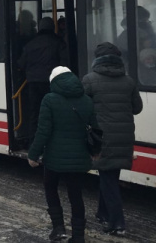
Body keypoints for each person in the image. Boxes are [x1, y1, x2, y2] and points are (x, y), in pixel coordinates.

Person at [28, 66, 98, 243]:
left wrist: (33, 154)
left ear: (54, 81)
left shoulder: (49, 100)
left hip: (54, 158)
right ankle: (78, 236)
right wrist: (95, 152)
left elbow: (43, 130)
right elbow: (95, 130)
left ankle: (58, 228)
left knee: (51, 188)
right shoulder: (87, 101)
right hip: (79, 157)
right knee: (76, 195)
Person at [81, 42, 143, 236]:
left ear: (97, 59)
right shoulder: (129, 81)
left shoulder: (89, 80)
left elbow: (83, 108)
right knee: (109, 175)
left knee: (108, 180)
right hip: (124, 137)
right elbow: (137, 108)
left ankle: (117, 223)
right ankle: (103, 213)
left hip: (102, 138)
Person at [17, 17, 69, 143]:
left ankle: (33, 141)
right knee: (53, 112)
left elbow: (20, 64)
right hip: (52, 83)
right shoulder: (58, 42)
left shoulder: (30, 44)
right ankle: (53, 140)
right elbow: (64, 63)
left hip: (33, 83)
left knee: (35, 112)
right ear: (52, 27)